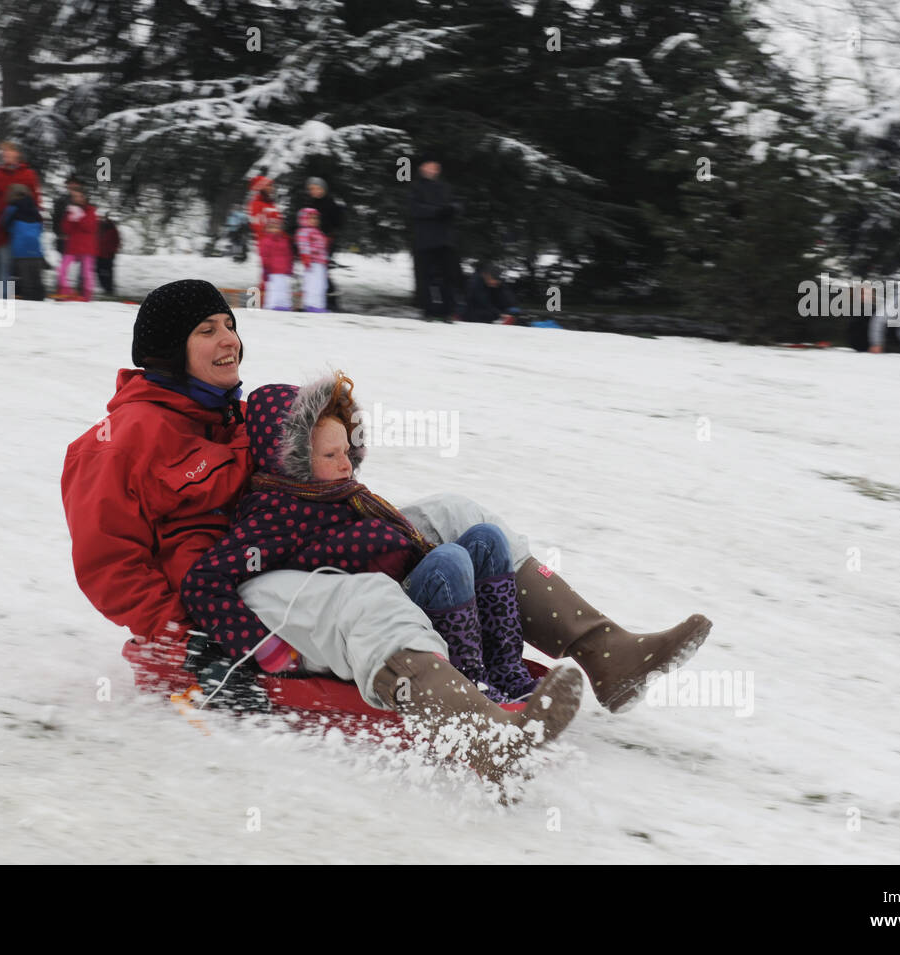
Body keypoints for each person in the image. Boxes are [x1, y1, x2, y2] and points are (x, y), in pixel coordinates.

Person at [60, 281, 713, 773]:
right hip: (227, 593)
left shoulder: (231, 412)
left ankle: (607, 652)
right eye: (207, 329)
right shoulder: (121, 440)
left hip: (294, 544)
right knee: (366, 600)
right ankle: (473, 732)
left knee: (458, 513)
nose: (229, 338)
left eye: (229, 324)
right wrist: (189, 641)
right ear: (169, 351)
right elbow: (108, 567)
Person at [181, 371, 539, 703]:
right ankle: (468, 683)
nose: (346, 465)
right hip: (386, 617)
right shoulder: (275, 517)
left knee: (486, 539)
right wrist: (262, 645)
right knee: (452, 561)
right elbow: (203, 582)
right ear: (293, 460)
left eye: (347, 453)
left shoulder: (338, 494)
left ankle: (507, 669)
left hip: (406, 589)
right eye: (330, 455)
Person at [0, 142, 42, 297]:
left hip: (21, 228)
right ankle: (2, 299)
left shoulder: (28, 174)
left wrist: (33, 219)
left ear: (17, 154)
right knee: (3, 264)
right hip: (0, 228)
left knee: (22, 266)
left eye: (9, 152)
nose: (6, 154)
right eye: (4, 152)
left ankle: (26, 298)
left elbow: (35, 200)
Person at [409, 157, 465, 320]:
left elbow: (458, 204)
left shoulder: (446, 187)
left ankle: (448, 311)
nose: (432, 170)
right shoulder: (415, 187)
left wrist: (453, 209)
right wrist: (437, 212)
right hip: (424, 240)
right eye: (429, 167)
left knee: (449, 275)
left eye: (435, 167)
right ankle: (428, 311)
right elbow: (415, 209)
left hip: (445, 240)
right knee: (425, 277)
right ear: (422, 168)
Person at [286, 177, 345, 311]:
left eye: (317, 188)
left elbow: (338, 222)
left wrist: (330, 234)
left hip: (326, 242)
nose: (314, 191)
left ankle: (329, 302)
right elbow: (303, 222)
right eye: (311, 189)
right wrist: (292, 229)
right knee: (314, 275)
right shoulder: (310, 204)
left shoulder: (331, 203)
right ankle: (315, 302)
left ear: (323, 189)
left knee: (323, 274)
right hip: (311, 245)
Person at [0, 184, 46, 301]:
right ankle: (41, 301)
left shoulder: (12, 207)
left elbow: (4, 224)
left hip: (20, 249)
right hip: (36, 250)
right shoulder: (35, 208)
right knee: (37, 280)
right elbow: (41, 226)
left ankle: (28, 302)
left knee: (26, 282)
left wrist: (15, 231)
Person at [57, 184, 98, 301]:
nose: (76, 199)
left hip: (87, 247)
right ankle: (65, 291)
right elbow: (65, 229)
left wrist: (80, 217)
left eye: (78, 196)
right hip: (73, 246)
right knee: (62, 269)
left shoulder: (90, 210)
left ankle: (87, 295)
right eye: (74, 196)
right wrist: (71, 217)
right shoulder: (70, 210)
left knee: (86, 273)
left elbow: (90, 227)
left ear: (84, 197)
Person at [257, 211, 294, 310]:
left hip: (283, 271)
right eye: (272, 227)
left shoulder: (284, 240)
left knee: (284, 289)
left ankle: (284, 305)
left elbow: (289, 255)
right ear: (267, 228)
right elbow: (264, 255)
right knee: (274, 289)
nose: (275, 230)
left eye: (277, 227)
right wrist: (266, 268)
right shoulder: (265, 241)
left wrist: (290, 267)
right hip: (272, 271)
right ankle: (272, 305)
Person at [294, 207, 329, 312]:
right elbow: (303, 245)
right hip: (312, 262)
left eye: (316, 218)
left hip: (320, 263)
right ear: (304, 219)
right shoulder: (304, 231)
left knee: (321, 285)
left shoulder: (318, 232)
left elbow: (323, 247)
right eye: (311, 218)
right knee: (313, 284)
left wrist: (325, 259)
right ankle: (310, 304)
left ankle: (319, 305)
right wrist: (306, 257)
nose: (314, 220)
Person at [52, 175, 82, 258]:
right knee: (66, 263)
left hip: (80, 239)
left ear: (79, 185)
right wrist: (59, 233)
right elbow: (56, 218)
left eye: (75, 184)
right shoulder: (61, 200)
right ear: (67, 186)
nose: (72, 186)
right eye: (70, 184)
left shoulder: (84, 201)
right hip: (64, 238)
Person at [97, 215, 121, 296]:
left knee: (108, 272)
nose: (102, 219)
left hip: (109, 255)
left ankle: (109, 288)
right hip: (99, 254)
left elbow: (116, 241)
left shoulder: (112, 228)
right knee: (99, 271)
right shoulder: (98, 227)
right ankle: (104, 286)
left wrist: (113, 251)